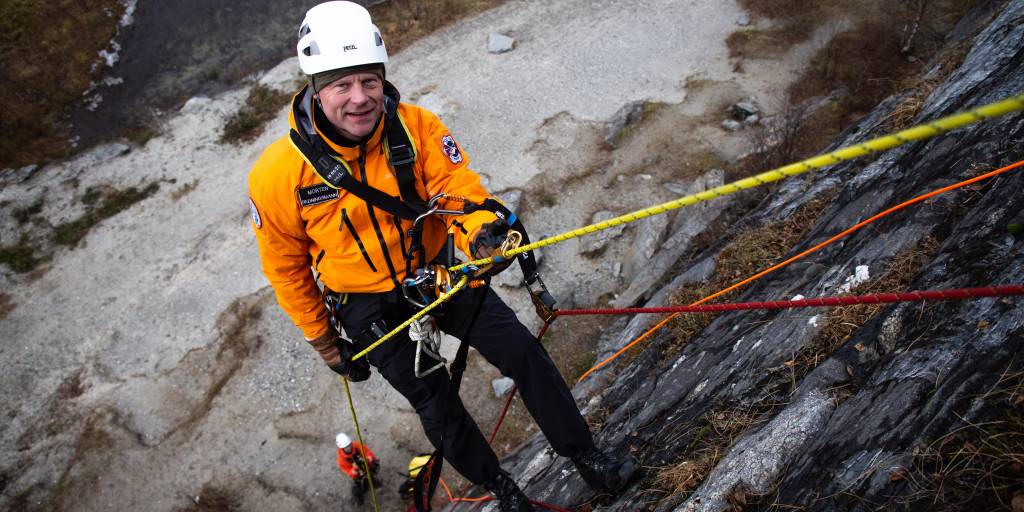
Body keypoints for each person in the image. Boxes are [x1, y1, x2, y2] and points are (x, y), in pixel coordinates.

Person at [247, 2, 638, 510]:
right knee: (435, 400)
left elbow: (456, 188)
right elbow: (286, 266)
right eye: (342, 86)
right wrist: (323, 339)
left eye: (368, 81)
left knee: (521, 352)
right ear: (316, 90)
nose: (360, 99)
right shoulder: (278, 175)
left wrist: (480, 233)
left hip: (438, 274)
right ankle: (502, 489)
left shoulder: (416, 127)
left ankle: (586, 457)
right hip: (365, 304)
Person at [335, 433, 382, 505]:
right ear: (342, 448)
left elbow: (368, 452)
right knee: (358, 487)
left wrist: (368, 459)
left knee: (372, 473)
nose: (349, 447)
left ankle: (373, 482)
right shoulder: (341, 460)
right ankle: (358, 496)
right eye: (346, 447)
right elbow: (348, 471)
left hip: (366, 466)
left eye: (349, 445)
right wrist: (354, 470)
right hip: (358, 474)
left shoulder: (357, 445)